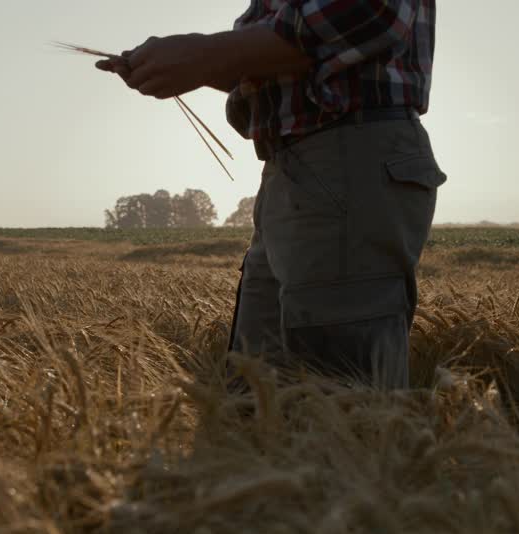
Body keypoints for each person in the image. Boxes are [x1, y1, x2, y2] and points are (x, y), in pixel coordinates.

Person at [97, 1, 445, 390]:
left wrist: (200, 53)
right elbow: (279, 53)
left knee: (343, 404)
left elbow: (362, 11)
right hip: (297, 167)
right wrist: (184, 66)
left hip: (346, 154)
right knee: (258, 394)